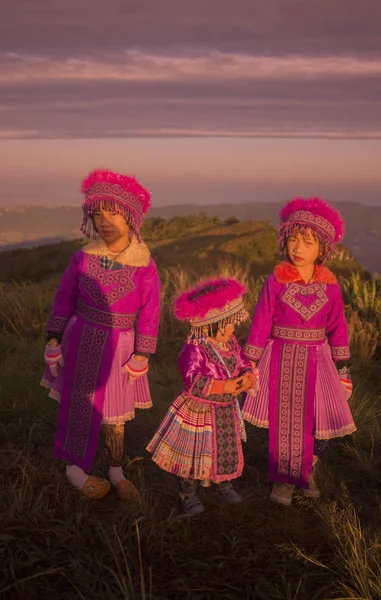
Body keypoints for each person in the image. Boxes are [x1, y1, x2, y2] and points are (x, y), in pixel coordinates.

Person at [41, 169, 161, 501]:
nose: (104, 221)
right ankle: (74, 470)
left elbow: (150, 311)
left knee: (115, 419)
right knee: (78, 404)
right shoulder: (81, 258)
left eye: (113, 212)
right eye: (97, 213)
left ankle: (115, 471)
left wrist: (142, 353)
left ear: (132, 217)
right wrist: (53, 339)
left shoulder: (144, 265)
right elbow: (64, 299)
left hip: (121, 348)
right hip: (79, 338)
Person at [242, 197, 355, 506]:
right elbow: (261, 322)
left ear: (323, 249)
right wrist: (249, 364)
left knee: (320, 424)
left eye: (307, 242)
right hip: (281, 357)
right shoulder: (275, 281)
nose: (298, 248)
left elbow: (338, 327)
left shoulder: (330, 285)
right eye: (293, 239)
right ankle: (284, 481)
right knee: (287, 423)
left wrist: (343, 368)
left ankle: (307, 471)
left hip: (319, 361)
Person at [146, 278, 257, 514]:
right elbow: (193, 380)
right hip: (200, 411)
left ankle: (223, 482)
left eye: (232, 323)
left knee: (224, 449)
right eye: (225, 325)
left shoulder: (231, 343)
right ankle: (188, 492)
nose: (231, 330)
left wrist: (247, 376)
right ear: (207, 326)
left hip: (225, 410)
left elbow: (244, 362)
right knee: (195, 454)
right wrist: (225, 386)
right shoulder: (195, 348)